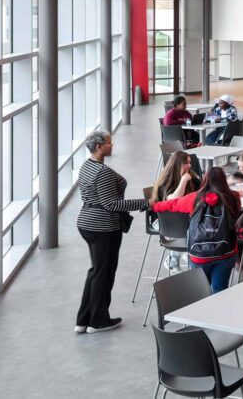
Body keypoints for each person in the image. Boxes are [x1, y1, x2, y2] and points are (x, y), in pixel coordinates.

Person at [76, 130, 148, 334]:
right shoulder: (103, 172)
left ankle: (83, 320)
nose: (112, 145)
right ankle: (98, 321)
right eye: (109, 143)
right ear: (99, 146)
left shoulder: (87, 166)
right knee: (104, 273)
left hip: (87, 223)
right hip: (104, 227)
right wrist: (145, 202)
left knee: (96, 271)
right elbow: (111, 204)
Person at [152, 167, 242, 293]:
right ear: (224, 181)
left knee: (200, 292)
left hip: (199, 253)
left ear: (204, 180)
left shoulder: (194, 198)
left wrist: (153, 205)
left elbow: (171, 204)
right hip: (226, 251)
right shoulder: (233, 197)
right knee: (220, 291)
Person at [150, 151, 199, 275]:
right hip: (164, 221)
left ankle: (188, 254)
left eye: (190, 163)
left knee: (199, 225)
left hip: (185, 220)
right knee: (193, 229)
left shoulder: (191, 177)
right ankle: (175, 260)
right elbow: (172, 201)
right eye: (186, 163)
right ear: (177, 165)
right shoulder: (165, 181)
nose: (189, 166)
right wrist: (183, 181)